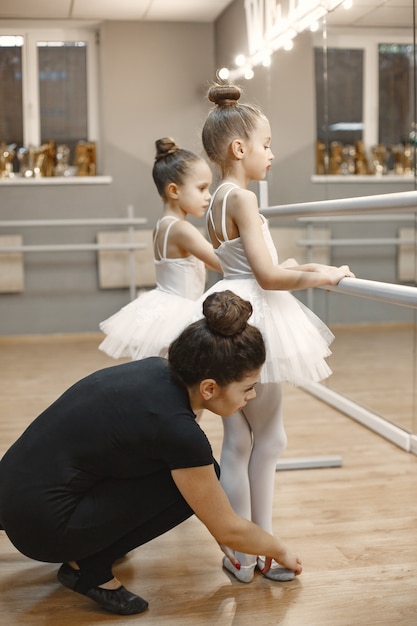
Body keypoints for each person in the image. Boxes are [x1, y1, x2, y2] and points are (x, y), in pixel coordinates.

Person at [0, 291, 302, 617]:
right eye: (247, 387)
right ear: (210, 388)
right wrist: (279, 549)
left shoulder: (155, 371)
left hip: (12, 492)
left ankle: (84, 548)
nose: (253, 395)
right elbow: (227, 526)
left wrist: (221, 528)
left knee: (183, 474)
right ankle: (89, 569)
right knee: (196, 479)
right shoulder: (179, 431)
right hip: (41, 528)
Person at [198, 83, 355, 584]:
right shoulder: (242, 197)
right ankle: (261, 549)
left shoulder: (218, 200)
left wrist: (305, 265)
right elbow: (266, 278)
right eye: (266, 143)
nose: (272, 152)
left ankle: (242, 553)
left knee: (238, 438)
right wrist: (324, 277)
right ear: (239, 149)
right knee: (270, 436)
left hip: (232, 308)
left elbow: (252, 266)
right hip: (256, 320)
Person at [98, 137, 221, 360]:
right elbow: (221, 262)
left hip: (164, 307)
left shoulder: (161, 227)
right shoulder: (182, 230)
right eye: (202, 188)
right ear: (174, 190)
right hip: (180, 312)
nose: (209, 195)